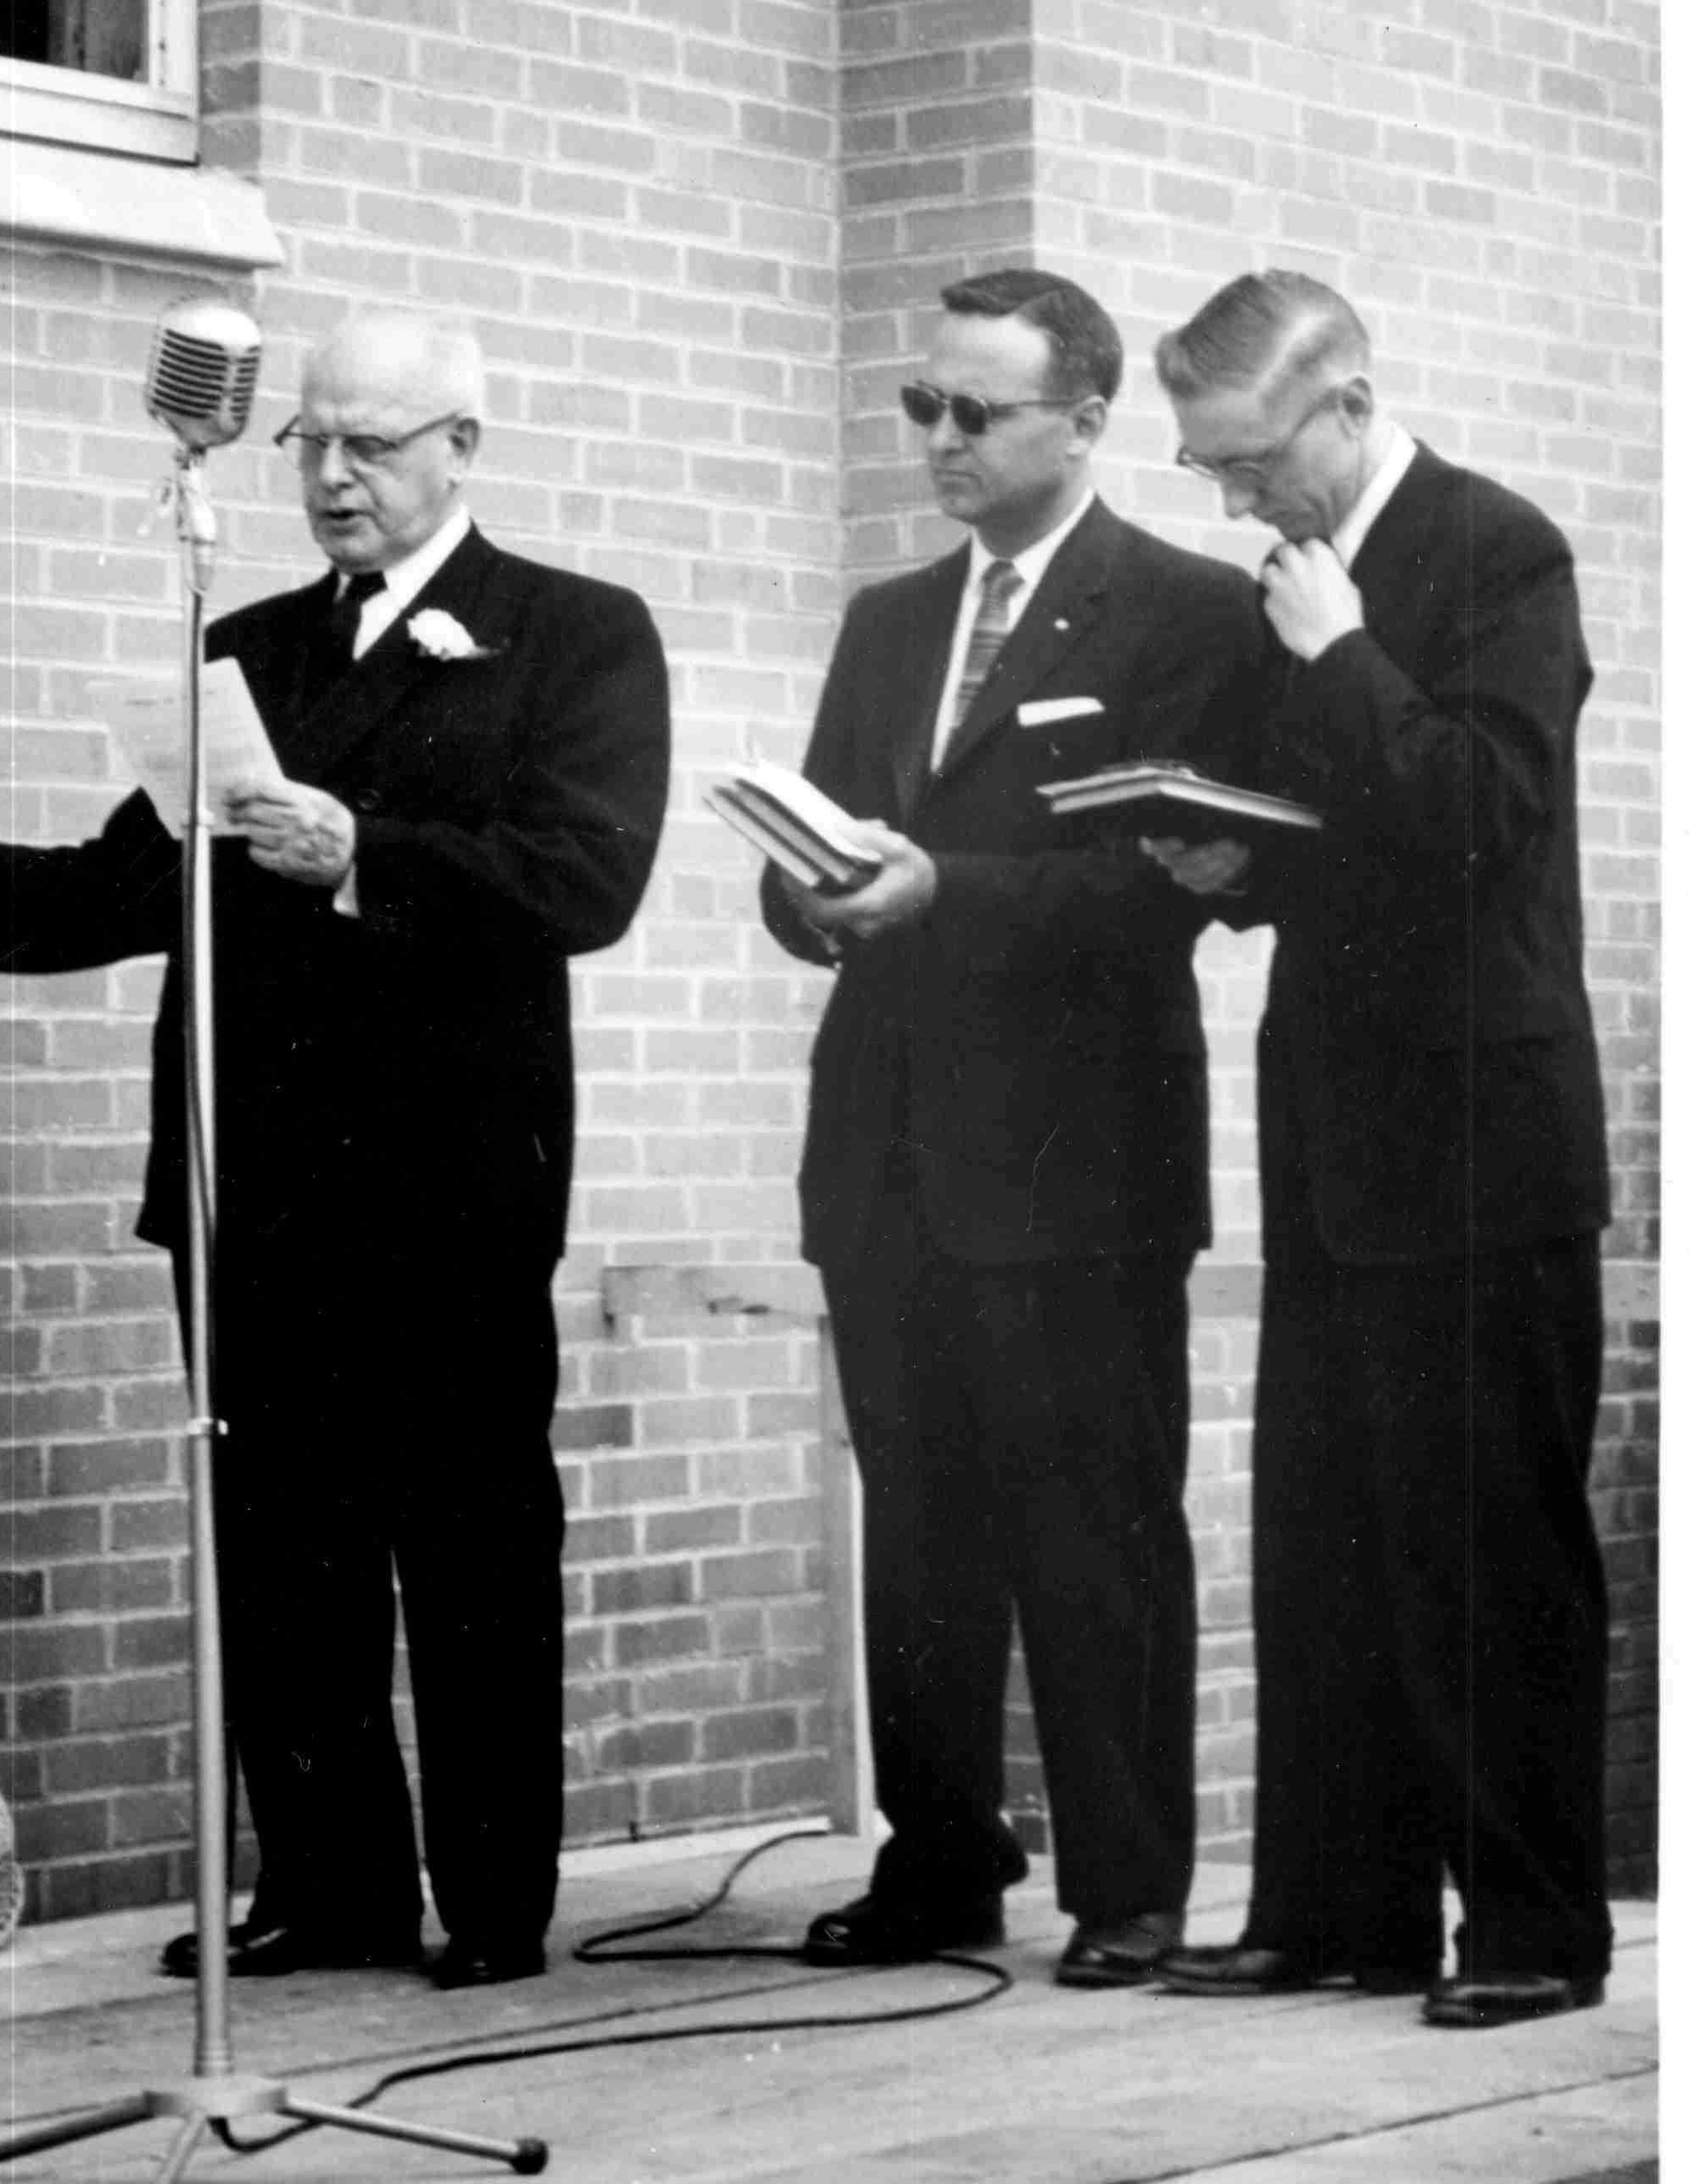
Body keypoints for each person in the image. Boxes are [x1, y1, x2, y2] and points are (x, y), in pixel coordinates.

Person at [0, 309, 669, 1990]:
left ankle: (495, 1905)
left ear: (463, 448)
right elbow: (142, 878)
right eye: (312, 442)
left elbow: (588, 879)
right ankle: (330, 1887)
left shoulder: (574, 633)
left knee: (468, 1549)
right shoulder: (256, 639)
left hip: (449, 1183)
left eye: (372, 442)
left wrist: (371, 851)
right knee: (281, 1553)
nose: (335, 475)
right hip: (256, 1178)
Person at [756, 270, 1261, 1987]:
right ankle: (941, 1864)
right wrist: (813, 896)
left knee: (1096, 1529)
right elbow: (814, 848)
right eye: (926, 410)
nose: (943, 443)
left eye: (979, 414)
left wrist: (936, 888)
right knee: (921, 1530)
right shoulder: (891, 619)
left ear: (1087, 422)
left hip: (1078, 1167)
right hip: (888, 1151)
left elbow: (1166, 888)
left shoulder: (1187, 612)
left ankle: (1129, 1888)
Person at [1140, 271, 1613, 2029]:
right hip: (1339, 1133)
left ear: (1345, 408)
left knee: (1488, 1551)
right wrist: (1230, 864)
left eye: (1252, 461)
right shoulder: (1292, 570)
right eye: (1209, 471)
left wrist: (1340, 651)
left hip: (1485, 1141)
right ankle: (1339, 1913)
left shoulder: (1499, 549)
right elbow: (1335, 833)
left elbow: (1484, 818)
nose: (1237, 500)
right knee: (1327, 1531)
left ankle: (1535, 1935)